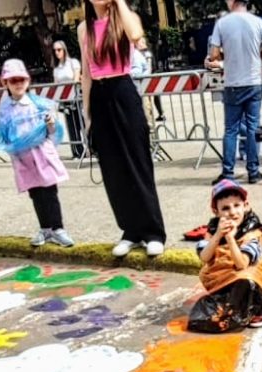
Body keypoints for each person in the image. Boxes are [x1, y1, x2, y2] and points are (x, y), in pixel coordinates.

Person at [81, 0, 169, 259]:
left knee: (137, 163)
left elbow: (136, 35)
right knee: (113, 169)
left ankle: (153, 231)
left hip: (123, 89)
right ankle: (130, 230)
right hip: (98, 94)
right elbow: (86, 74)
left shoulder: (124, 18)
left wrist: (119, 2)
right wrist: (88, 116)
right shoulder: (83, 29)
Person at [0, 60, 73, 249]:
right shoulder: (5, 110)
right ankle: (45, 228)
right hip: (24, 159)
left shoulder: (38, 104)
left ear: (28, 81)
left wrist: (50, 122)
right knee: (36, 192)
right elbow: (1, 134)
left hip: (43, 154)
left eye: (21, 80)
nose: (18, 84)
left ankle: (58, 228)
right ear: (5, 84)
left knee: (50, 191)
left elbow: (52, 131)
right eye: (13, 81)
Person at [187, 179, 262, 332]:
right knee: (212, 304)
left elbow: (241, 264)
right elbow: (204, 257)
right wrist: (218, 235)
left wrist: (230, 239)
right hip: (221, 278)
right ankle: (237, 306)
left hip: (243, 276)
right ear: (216, 212)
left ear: (246, 205)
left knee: (247, 279)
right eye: (225, 208)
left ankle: (255, 307)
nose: (232, 212)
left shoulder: (252, 233)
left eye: (237, 205)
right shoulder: (213, 231)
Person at [206, 0, 262, 183]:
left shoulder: (222, 23)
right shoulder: (258, 22)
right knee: (252, 128)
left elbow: (213, 55)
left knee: (231, 130)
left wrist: (229, 54)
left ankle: (228, 172)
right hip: (253, 81)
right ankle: (253, 171)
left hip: (233, 82)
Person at [51, 39, 87, 158]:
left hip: (76, 98)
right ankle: (77, 151)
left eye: (59, 50)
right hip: (65, 101)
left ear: (64, 50)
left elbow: (76, 79)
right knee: (72, 125)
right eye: (55, 50)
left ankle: (92, 147)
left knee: (84, 123)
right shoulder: (56, 69)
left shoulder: (73, 63)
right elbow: (56, 85)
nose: (57, 52)